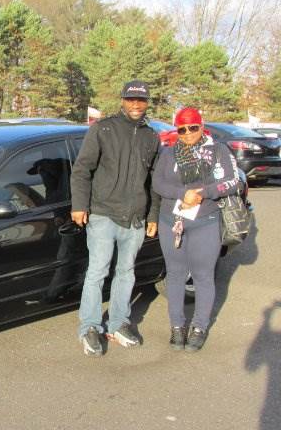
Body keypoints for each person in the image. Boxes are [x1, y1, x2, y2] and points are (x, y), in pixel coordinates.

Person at [71, 80, 160, 357]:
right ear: (122, 100)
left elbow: (155, 180)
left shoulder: (151, 137)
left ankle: (119, 323)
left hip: (135, 218)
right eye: (131, 99)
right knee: (97, 272)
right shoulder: (103, 129)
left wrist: (153, 214)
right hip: (103, 214)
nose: (136, 105)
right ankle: (90, 327)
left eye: (141, 100)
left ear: (147, 102)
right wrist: (79, 205)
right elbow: (82, 169)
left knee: (126, 272)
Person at [152, 107, 239, 352]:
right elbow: (158, 183)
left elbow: (232, 182)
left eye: (193, 127)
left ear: (202, 127)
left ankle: (199, 326)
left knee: (202, 276)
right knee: (175, 274)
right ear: (177, 131)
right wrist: (183, 193)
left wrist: (203, 194)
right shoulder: (169, 153)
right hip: (173, 221)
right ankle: (177, 326)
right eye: (182, 129)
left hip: (205, 221)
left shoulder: (218, 150)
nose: (188, 133)